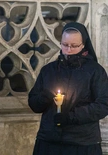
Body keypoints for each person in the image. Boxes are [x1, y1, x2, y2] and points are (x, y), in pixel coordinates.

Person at [28, 22, 108, 155]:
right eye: (65, 45)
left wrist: (72, 117)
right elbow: (33, 104)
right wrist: (44, 97)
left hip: (82, 142)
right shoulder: (49, 70)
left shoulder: (95, 71)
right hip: (49, 140)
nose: (69, 49)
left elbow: (103, 105)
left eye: (74, 46)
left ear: (83, 45)